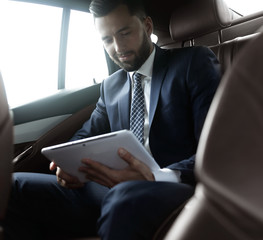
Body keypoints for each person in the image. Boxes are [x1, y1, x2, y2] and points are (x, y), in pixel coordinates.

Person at [3, 0, 221, 239]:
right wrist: (68, 165)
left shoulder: (193, 63)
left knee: (123, 198)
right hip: (110, 189)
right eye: (107, 39)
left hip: (173, 189)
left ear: (147, 27)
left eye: (124, 33)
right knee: (10, 186)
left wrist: (154, 176)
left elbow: (216, 151)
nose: (118, 47)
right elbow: (85, 135)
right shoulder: (111, 86)